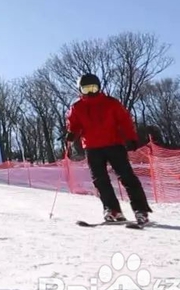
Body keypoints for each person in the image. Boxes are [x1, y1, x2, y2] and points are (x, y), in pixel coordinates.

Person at [65, 73, 153, 225]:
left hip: (114, 145)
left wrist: (130, 138)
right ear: (80, 90)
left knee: (127, 177)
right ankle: (112, 209)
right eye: (86, 90)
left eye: (93, 88)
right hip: (93, 147)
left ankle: (140, 210)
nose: (91, 92)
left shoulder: (111, 103)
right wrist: (72, 133)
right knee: (100, 181)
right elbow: (74, 124)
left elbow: (125, 121)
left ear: (99, 87)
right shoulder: (77, 107)